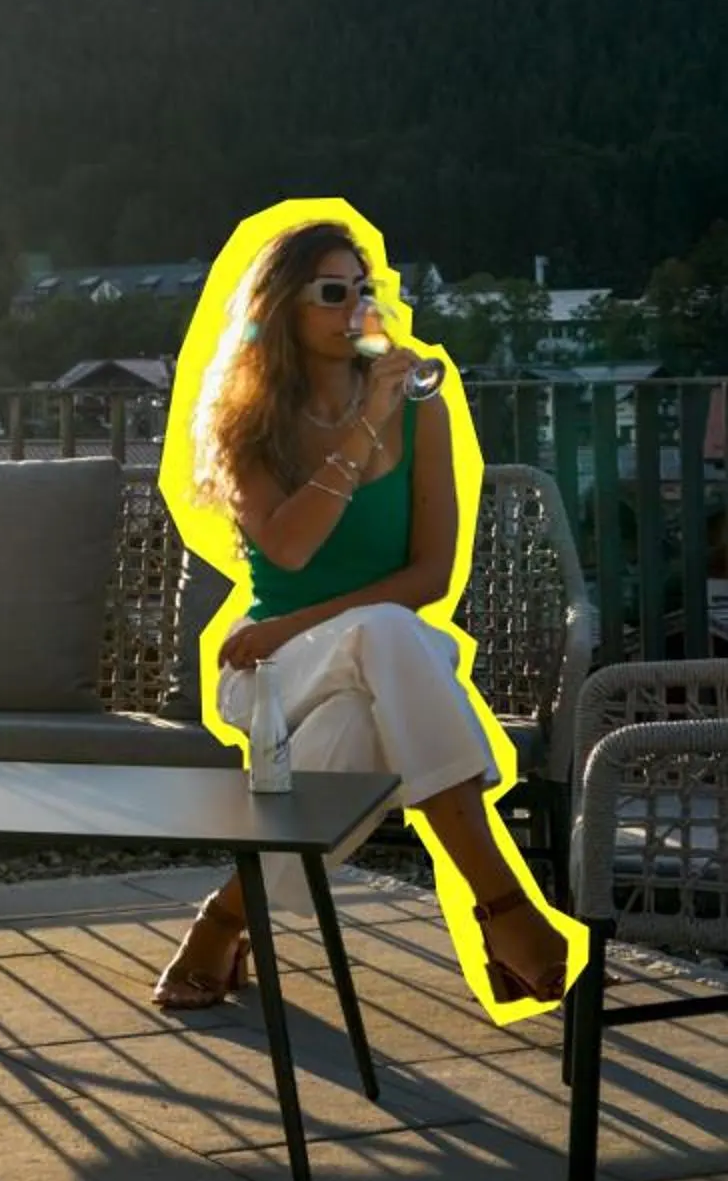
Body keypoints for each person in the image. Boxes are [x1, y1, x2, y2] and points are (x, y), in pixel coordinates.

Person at [152, 216, 572, 1014]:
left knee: (357, 726)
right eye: (331, 292)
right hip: (273, 676)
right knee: (384, 650)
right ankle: (501, 907)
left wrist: (289, 623)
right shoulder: (248, 424)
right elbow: (290, 553)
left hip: (382, 657)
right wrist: (363, 429)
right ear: (283, 309)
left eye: (364, 291)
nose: (354, 308)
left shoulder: (424, 413)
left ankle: (221, 921)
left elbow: (429, 576)